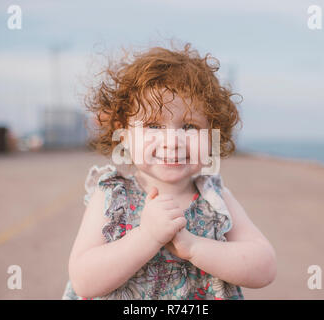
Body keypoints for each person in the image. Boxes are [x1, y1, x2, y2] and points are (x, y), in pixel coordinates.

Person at [62, 43, 276, 300]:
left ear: (212, 135)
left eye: (189, 126)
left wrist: (196, 247)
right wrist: (147, 236)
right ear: (124, 134)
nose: (172, 141)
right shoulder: (111, 196)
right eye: (153, 125)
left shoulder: (215, 198)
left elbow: (264, 267)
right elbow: (84, 281)